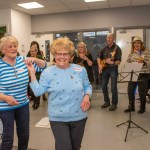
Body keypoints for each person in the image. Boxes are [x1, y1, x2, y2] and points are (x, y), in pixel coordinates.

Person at [26, 37, 92, 150]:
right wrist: (32, 72)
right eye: (58, 54)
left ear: (70, 55)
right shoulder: (47, 72)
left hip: (79, 116)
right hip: (58, 119)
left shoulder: (80, 70)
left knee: (75, 147)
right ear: (54, 55)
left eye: (65, 54)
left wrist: (87, 96)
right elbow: (37, 92)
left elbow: (87, 86)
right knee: (64, 147)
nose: (62, 57)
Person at [0, 35, 46, 150]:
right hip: (5, 108)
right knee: (7, 138)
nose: (14, 48)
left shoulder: (23, 61)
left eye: (15, 46)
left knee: (24, 135)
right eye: (10, 46)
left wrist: (34, 59)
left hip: (23, 105)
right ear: (2, 50)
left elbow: (44, 66)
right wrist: (6, 98)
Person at [124, 36, 150, 114]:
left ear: (141, 44)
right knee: (130, 90)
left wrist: (143, 62)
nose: (136, 45)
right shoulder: (131, 52)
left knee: (142, 92)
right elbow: (127, 62)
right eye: (135, 43)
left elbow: (149, 62)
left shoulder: (147, 51)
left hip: (144, 74)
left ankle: (142, 107)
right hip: (133, 73)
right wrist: (129, 64)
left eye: (138, 43)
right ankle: (131, 107)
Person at [97, 33, 122, 111]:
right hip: (104, 69)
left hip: (113, 69)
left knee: (113, 87)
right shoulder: (104, 48)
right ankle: (107, 102)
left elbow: (118, 61)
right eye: (107, 38)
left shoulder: (117, 48)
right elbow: (98, 57)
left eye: (110, 38)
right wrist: (99, 65)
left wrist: (113, 63)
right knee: (104, 86)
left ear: (113, 39)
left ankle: (114, 104)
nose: (108, 39)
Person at [28, 46, 44, 110]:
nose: (31, 52)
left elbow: (42, 66)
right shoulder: (28, 58)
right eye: (30, 51)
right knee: (31, 91)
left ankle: (36, 103)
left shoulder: (39, 57)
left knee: (36, 90)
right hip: (30, 76)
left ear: (36, 51)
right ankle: (35, 101)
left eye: (33, 51)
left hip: (38, 76)